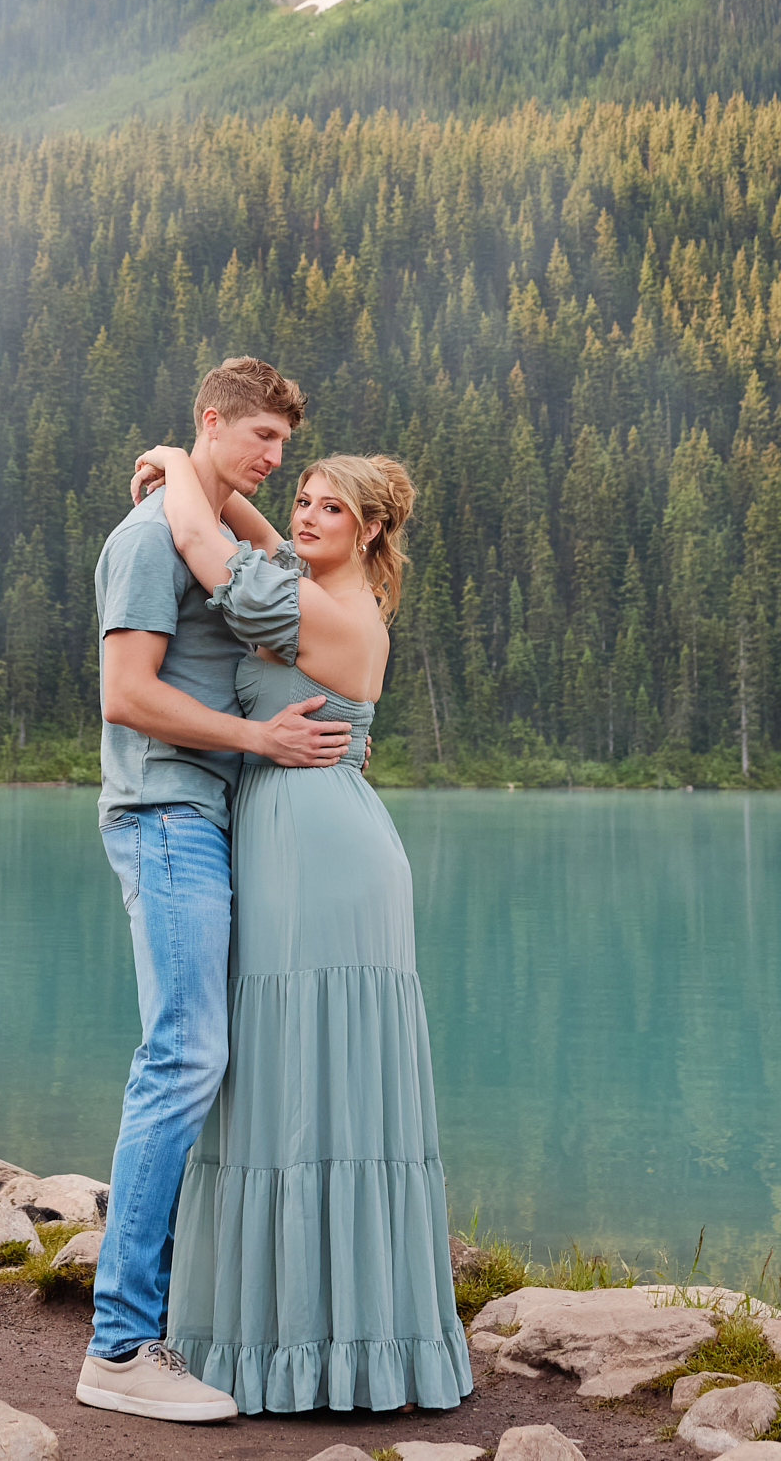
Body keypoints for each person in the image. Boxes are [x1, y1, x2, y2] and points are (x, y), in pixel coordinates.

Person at [138, 441, 474, 1418]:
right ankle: (281, 1340)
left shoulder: (337, 616)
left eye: (331, 507)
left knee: (299, 1070)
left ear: (370, 530)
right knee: (284, 1074)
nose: (307, 514)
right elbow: (251, 535)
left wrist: (177, 462)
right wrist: (242, 499)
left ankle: (317, 1354)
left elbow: (207, 543)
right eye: (304, 497)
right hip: (291, 838)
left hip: (322, 856)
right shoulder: (310, 582)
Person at [77, 356, 353, 1425]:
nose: (275, 463)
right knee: (183, 1053)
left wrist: (192, 473)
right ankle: (117, 1345)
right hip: (162, 814)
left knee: (207, 1056)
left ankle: (175, 1313)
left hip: (208, 818)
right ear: (211, 422)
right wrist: (256, 737)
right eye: (260, 443)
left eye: (284, 447)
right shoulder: (146, 540)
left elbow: (269, 555)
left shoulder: (209, 525)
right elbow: (125, 692)